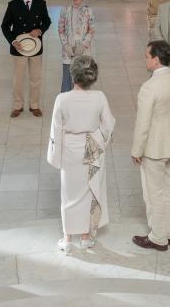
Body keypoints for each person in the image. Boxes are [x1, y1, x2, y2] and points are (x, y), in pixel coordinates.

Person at [47, 55, 115, 254]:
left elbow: (55, 130)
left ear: (73, 75)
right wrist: (99, 141)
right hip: (92, 147)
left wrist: (55, 157)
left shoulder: (62, 99)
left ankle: (67, 238)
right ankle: (86, 236)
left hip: (69, 149)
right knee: (90, 191)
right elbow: (109, 125)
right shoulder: (100, 97)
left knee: (69, 194)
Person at [131, 40, 170, 251]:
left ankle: (158, 237)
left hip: (155, 149)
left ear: (156, 60)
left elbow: (143, 124)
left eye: (146, 56)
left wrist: (136, 151)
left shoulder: (149, 87)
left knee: (154, 193)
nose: (144, 59)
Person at [1, 0, 51, 117]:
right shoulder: (13, 5)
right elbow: (5, 26)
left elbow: (47, 20)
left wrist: (40, 30)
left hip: (36, 47)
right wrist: (12, 41)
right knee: (18, 79)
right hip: (19, 47)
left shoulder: (41, 3)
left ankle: (34, 105)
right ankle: (18, 105)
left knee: (35, 78)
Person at [58, 0, 95, 92]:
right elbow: (60, 29)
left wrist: (83, 45)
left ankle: (82, 105)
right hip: (68, 51)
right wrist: (65, 45)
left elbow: (91, 29)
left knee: (83, 77)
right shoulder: (64, 10)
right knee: (67, 78)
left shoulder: (88, 11)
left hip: (83, 50)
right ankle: (65, 104)